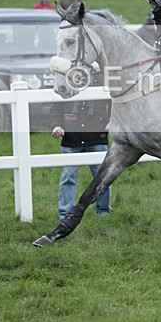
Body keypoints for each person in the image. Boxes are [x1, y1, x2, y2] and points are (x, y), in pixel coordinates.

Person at [50, 66, 112, 219]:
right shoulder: (65, 84)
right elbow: (56, 108)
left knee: (102, 175)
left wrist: (112, 121)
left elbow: (114, 103)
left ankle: (103, 210)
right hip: (71, 138)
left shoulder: (103, 82)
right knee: (68, 177)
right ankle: (65, 213)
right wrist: (57, 125)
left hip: (97, 136)